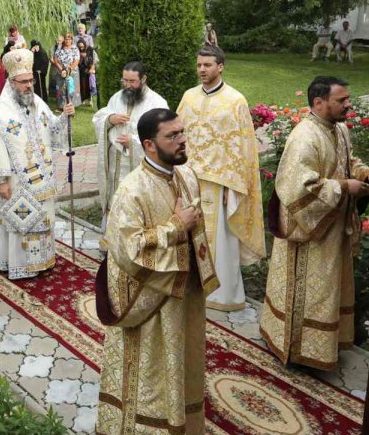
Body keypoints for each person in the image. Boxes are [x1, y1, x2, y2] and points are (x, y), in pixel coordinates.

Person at [95, 108, 214, 435]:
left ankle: (185, 433)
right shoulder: (132, 190)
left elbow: (196, 225)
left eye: (182, 132)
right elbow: (127, 250)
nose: (182, 140)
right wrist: (176, 227)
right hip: (151, 301)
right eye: (172, 136)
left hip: (184, 292)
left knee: (184, 362)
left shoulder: (186, 175)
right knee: (151, 369)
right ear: (149, 145)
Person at [260, 76, 369, 371]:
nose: (348, 104)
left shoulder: (340, 129)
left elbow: (348, 161)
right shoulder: (304, 137)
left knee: (327, 291)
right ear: (319, 102)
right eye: (342, 100)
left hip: (331, 226)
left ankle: (324, 346)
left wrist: (364, 174)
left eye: (348, 98)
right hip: (308, 232)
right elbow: (298, 189)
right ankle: (297, 349)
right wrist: (345, 187)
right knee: (309, 293)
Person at [175, 46, 266, 312]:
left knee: (221, 242)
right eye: (199, 65)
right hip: (189, 179)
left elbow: (244, 147)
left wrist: (233, 186)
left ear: (220, 66)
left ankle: (221, 295)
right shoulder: (189, 97)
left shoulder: (235, 101)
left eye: (207, 65)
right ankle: (189, 286)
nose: (202, 69)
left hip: (219, 185)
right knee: (187, 233)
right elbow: (177, 134)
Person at [0, 49, 74, 280]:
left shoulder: (38, 103)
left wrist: (65, 116)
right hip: (16, 181)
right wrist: (1, 181)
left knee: (43, 218)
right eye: (24, 82)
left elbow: (52, 128)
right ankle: (20, 265)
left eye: (31, 80)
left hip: (42, 178)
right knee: (21, 222)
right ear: (12, 82)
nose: (29, 86)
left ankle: (43, 260)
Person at [91, 62, 169, 224]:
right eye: (124, 80)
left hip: (138, 170)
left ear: (143, 79)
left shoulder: (157, 103)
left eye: (132, 81)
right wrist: (110, 120)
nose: (127, 85)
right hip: (115, 168)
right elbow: (99, 119)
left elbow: (163, 137)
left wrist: (134, 143)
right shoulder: (117, 98)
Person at [52, 33, 80, 104]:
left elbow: (76, 60)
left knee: (71, 89)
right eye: (66, 39)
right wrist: (62, 69)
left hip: (72, 72)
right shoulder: (60, 48)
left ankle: (72, 104)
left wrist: (69, 69)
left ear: (72, 40)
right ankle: (62, 105)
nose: (67, 40)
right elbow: (56, 59)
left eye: (69, 39)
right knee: (61, 88)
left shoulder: (75, 49)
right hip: (61, 71)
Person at [77, 40, 97, 107]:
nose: (81, 48)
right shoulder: (77, 51)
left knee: (89, 86)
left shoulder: (90, 49)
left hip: (88, 70)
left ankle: (89, 99)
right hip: (80, 71)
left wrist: (91, 69)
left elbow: (93, 61)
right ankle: (82, 100)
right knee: (81, 86)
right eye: (80, 47)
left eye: (82, 47)